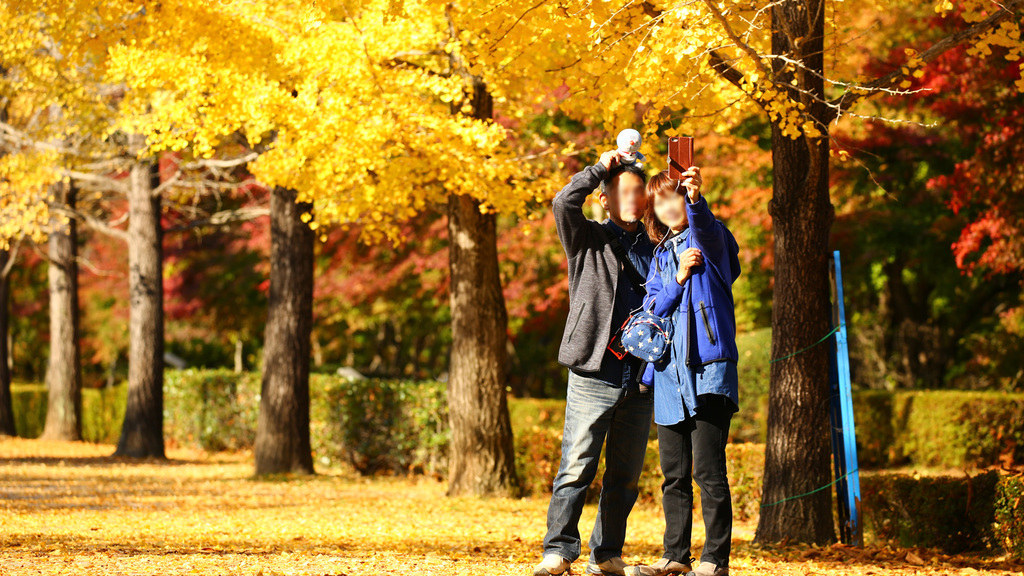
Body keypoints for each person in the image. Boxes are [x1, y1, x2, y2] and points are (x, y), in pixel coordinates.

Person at [533, 148, 655, 576]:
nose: (633, 198)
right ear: (604, 199)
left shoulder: (657, 245)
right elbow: (562, 202)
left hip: (641, 376)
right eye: (623, 191)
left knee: (625, 476)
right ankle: (559, 550)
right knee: (576, 466)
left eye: (639, 191)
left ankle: (605, 555)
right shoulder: (586, 237)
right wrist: (601, 167)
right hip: (593, 369)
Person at [633, 168, 740, 576]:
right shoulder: (660, 257)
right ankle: (675, 556)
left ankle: (715, 560)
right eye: (659, 201)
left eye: (673, 196)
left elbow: (709, 234)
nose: (668, 206)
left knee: (709, 471)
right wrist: (677, 278)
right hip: (667, 377)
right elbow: (651, 312)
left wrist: (696, 200)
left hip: (709, 370)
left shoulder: (710, 239)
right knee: (674, 476)